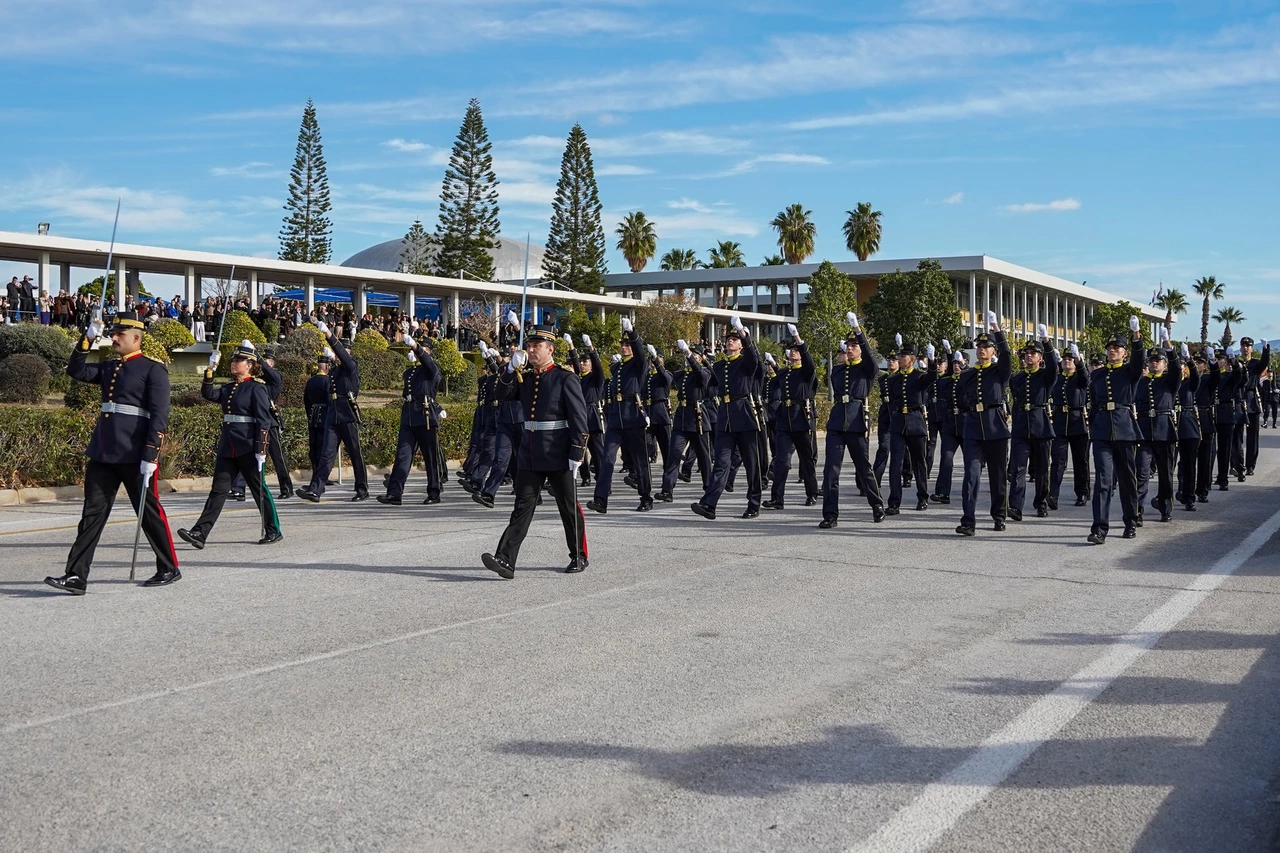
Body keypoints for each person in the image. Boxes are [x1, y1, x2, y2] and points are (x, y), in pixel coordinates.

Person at [45, 311, 180, 594]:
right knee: (92, 514)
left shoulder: (152, 370)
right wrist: (87, 340)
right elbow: (76, 371)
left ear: (136, 338)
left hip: (135, 455)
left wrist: (151, 456)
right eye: (113, 333)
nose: (115, 337)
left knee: (149, 512)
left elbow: (159, 416)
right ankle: (76, 576)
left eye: (120, 334)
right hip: (104, 452)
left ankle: (168, 567)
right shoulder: (109, 367)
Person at [481, 325, 590, 580]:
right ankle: (505, 560)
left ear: (550, 349)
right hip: (530, 452)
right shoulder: (526, 377)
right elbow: (501, 393)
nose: (530, 350)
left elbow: (578, 417)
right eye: (528, 346)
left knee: (568, 507)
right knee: (522, 507)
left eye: (536, 346)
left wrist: (577, 451)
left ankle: (579, 555)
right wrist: (509, 369)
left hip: (558, 451)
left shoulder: (565, 377)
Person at [177, 342, 282, 549]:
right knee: (218, 491)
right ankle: (200, 532)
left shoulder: (257, 388)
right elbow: (209, 395)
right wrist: (210, 371)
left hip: (248, 446)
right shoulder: (229, 387)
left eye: (238, 360)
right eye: (233, 360)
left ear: (250, 365)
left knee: (259, 490)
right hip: (229, 446)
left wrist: (261, 449)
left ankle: (273, 529)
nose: (233, 363)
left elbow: (264, 420)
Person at [1079, 316, 1146, 544]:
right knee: (1103, 480)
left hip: (1125, 429)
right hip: (1102, 431)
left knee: (1127, 479)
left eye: (1117, 348)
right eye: (1109, 348)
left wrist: (1136, 336)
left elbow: (1140, 358)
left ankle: (1130, 520)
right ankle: (1099, 528)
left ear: (1124, 352)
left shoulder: (1130, 371)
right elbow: (1094, 401)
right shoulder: (1097, 375)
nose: (1112, 351)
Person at [691, 315, 762, 520]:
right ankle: (709, 504)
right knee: (721, 463)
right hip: (725, 416)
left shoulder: (746, 362)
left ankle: (754, 503)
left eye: (735, 339)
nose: (730, 341)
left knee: (751, 463)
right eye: (729, 339)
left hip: (745, 415)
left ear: (741, 346)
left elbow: (754, 358)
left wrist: (743, 333)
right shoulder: (720, 366)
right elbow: (709, 383)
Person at [818, 312, 884, 528]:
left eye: (854, 346)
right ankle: (830, 514)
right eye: (848, 346)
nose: (849, 348)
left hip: (856, 421)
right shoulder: (837, 370)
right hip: (837, 421)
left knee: (863, 467)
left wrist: (859, 332)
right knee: (831, 470)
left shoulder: (867, 369)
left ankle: (876, 504)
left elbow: (871, 359)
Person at [296, 321, 368, 502]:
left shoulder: (351, 366)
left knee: (355, 453)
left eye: (342, 352)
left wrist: (329, 335)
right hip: (332, 413)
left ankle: (362, 489)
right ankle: (316, 489)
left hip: (347, 413)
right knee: (326, 454)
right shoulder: (334, 372)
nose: (338, 355)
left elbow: (344, 356)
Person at [955, 312, 1012, 536]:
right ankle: (968, 520)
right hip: (973, 428)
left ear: (993, 351)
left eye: (986, 347)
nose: (981, 350)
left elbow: (1007, 353)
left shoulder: (999, 372)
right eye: (979, 347)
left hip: (995, 427)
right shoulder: (968, 375)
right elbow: (960, 398)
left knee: (998, 476)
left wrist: (997, 329)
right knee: (971, 475)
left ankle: (999, 516)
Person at [588, 318, 653, 513]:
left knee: (640, 460)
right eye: (622, 344)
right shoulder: (618, 367)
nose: (624, 347)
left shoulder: (638, 364)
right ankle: (600, 499)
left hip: (633, 414)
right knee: (607, 458)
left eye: (627, 344)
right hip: (616, 417)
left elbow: (640, 353)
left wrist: (633, 333)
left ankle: (645, 497)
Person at [378, 332, 442, 505]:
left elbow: (428, 364)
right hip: (409, 415)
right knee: (403, 455)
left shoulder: (432, 368)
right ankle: (395, 493)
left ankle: (434, 492)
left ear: (428, 352)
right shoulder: (410, 372)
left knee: (430, 457)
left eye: (422, 349)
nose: (416, 352)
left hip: (425, 414)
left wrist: (416, 347)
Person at [764, 324, 819, 510]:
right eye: (792, 350)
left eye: (796, 351)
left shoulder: (806, 372)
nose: (793, 352)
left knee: (806, 459)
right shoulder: (784, 373)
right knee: (782, 460)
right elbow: (772, 384)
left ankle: (812, 492)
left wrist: (798, 338)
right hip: (784, 419)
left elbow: (810, 363)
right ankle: (777, 498)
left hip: (801, 418)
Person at [1007, 328, 1059, 520]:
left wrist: (1046, 342)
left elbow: (1054, 365)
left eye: (1033, 354)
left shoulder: (1046, 376)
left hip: (1041, 427)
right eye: (1027, 354)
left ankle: (1041, 502)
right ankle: (1015, 506)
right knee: (1018, 468)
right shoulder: (1017, 378)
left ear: (1040, 358)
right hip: (1021, 427)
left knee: (1042, 469)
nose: (1029, 357)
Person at [656, 339, 714, 501]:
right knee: (673, 454)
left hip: (698, 418)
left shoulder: (705, 373)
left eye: (696, 355)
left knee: (703, 457)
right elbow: (664, 376)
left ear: (701, 358)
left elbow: (700, 373)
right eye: (688, 354)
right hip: (682, 417)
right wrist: (655, 359)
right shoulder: (681, 374)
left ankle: (709, 488)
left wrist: (689, 354)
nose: (689, 358)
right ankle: (667, 490)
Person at [884, 338, 936, 514]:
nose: (899, 358)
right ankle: (894, 502)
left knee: (918, 462)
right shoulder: (893, 380)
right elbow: (892, 401)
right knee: (895, 464)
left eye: (903, 356)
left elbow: (933, 376)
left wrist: (932, 361)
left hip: (915, 421)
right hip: (899, 422)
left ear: (912, 359)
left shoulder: (920, 376)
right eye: (899, 355)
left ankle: (922, 496)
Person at [1135, 334, 1181, 523]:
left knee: (1165, 473)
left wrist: (1169, 347)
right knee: (1141, 472)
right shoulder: (1141, 382)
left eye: (1158, 360)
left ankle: (1165, 507)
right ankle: (1137, 510)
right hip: (1144, 431)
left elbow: (1178, 369)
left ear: (1164, 363)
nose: (1154, 363)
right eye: (1152, 360)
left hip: (1165, 431)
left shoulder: (1170, 380)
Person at [1049, 343, 1091, 509]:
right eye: (1065, 359)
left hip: (1078, 422)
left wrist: (1080, 363)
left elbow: (1085, 378)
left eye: (1071, 358)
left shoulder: (1080, 377)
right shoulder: (1058, 379)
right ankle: (1053, 494)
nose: (1067, 361)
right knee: (1058, 460)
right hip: (1060, 421)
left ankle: (1082, 492)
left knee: (1081, 461)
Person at [567, 334, 605, 487]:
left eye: (585, 362)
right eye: (581, 362)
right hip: (579, 417)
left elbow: (598, 366)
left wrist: (591, 349)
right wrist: (571, 346)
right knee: (578, 449)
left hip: (592, 415)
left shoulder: (596, 378)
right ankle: (585, 477)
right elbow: (575, 364)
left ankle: (602, 480)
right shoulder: (578, 378)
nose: (582, 364)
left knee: (597, 452)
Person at [930, 343, 964, 506]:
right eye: (955, 363)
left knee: (972, 461)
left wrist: (951, 355)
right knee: (946, 458)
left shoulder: (968, 379)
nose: (956, 366)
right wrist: (949, 355)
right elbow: (946, 375)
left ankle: (972, 489)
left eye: (960, 363)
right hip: (950, 423)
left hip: (966, 423)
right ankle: (943, 492)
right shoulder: (947, 381)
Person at [1175, 344, 1205, 512]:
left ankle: (1189, 496)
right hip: (1171, 424)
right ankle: (1167, 496)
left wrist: (1189, 360)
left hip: (1188, 424)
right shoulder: (1167, 383)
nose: (1181, 368)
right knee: (1169, 464)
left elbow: (1195, 377)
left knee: (1189, 463)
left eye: (1183, 365)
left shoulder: (1190, 383)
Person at [1238, 337, 1271, 474]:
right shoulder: (1236, 362)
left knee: (1253, 436)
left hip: (1251, 400)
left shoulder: (1256, 364)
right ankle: (1237, 464)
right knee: (1237, 436)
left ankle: (1250, 465)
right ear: (1240, 347)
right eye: (1243, 345)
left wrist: (1265, 350)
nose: (1246, 348)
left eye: (1248, 346)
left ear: (1252, 348)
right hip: (1238, 399)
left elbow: (1264, 363)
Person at [1213, 348, 1244, 490]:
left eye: (1221, 359)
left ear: (1225, 361)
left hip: (1225, 412)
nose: (1219, 362)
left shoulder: (1230, 376)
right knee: (1210, 449)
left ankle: (1223, 478)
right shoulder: (1210, 376)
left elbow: (1239, 376)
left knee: (1225, 448)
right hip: (1211, 412)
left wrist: (1234, 362)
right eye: (1216, 359)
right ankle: (1207, 477)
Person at [644, 344, 673, 472]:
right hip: (648, 412)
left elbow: (665, 378)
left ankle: (668, 472)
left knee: (666, 447)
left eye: (658, 359)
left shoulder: (666, 374)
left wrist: (656, 358)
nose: (654, 362)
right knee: (646, 442)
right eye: (653, 359)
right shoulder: (647, 376)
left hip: (661, 413)